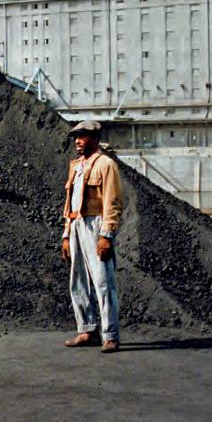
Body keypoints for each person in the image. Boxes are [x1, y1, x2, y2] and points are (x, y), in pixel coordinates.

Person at [60, 120, 123, 353]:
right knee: (78, 281)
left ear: (95, 139)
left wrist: (106, 235)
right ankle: (87, 330)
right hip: (77, 225)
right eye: (76, 137)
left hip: (95, 225)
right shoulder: (76, 166)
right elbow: (70, 204)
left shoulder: (106, 165)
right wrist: (66, 235)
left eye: (82, 136)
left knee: (103, 282)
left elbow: (112, 202)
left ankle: (110, 335)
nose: (77, 141)